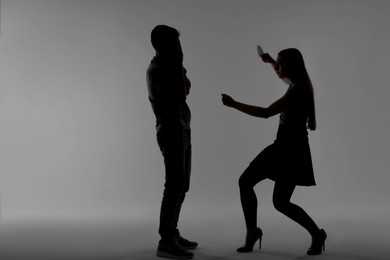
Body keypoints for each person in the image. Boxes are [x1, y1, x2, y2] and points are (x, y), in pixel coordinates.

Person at [221, 48, 327, 255]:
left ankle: (257, 232)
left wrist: (234, 104)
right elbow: (285, 78)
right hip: (291, 149)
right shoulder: (298, 84)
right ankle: (315, 233)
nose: (278, 67)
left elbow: (266, 113)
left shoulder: (298, 90)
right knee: (279, 201)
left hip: (287, 149)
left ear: (293, 65)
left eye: (281, 63)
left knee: (252, 186)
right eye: (277, 63)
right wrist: (271, 62)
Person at [146, 25, 197, 259]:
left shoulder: (170, 66)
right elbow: (182, 91)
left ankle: (172, 233)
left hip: (182, 128)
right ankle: (166, 241)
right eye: (175, 44)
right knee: (173, 186)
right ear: (162, 46)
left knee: (181, 186)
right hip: (170, 131)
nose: (179, 48)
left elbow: (187, 87)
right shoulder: (158, 69)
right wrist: (180, 64)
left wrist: (179, 66)